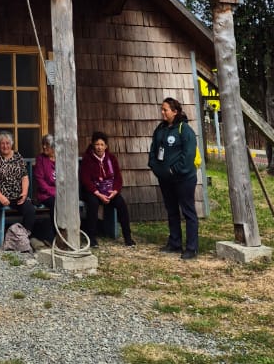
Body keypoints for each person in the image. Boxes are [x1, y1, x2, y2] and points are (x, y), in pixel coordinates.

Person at [148, 96, 199, 260]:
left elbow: (188, 155)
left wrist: (174, 170)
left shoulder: (184, 130)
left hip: (183, 179)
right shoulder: (160, 129)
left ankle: (191, 248)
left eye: (165, 110)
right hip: (165, 179)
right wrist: (155, 167)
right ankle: (175, 243)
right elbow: (154, 150)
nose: (162, 112)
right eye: (162, 109)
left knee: (188, 211)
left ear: (175, 112)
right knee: (171, 211)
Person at [79, 130, 136, 247]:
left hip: (109, 191)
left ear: (106, 146)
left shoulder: (111, 158)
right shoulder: (87, 159)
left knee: (121, 203)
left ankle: (128, 237)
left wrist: (114, 191)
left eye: (102, 145)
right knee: (93, 204)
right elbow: (85, 180)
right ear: (93, 145)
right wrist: (98, 194)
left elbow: (118, 178)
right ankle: (92, 237)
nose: (99, 147)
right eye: (97, 144)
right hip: (92, 191)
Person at [0, 132, 35, 250]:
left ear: (11, 144)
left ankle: (22, 238)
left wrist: (24, 192)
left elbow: (25, 177)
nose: (5, 146)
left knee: (30, 210)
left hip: (16, 194)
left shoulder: (18, 157)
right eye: (2, 143)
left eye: (7, 143)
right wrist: (0, 196)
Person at [33, 135, 56, 244]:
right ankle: (55, 235)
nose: (44, 147)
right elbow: (40, 180)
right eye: (43, 144)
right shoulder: (40, 159)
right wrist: (53, 192)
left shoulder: (61, 159)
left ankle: (68, 233)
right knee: (55, 203)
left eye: (47, 145)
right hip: (45, 194)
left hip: (60, 193)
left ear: (54, 146)